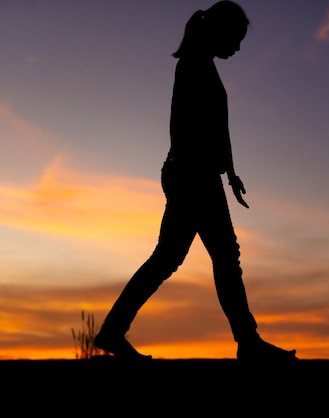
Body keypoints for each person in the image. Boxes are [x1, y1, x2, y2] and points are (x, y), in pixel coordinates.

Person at [94, 1, 297, 362]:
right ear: (219, 31)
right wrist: (192, 171)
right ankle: (248, 342)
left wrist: (230, 173)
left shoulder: (202, 66)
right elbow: (183, 127)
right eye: (235, 38)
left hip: (195, 173)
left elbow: (220, 129)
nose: (237, 48)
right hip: (194, 175)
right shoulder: (193, 66)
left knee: (170, 258)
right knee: (222, 255)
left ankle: (112, 332)